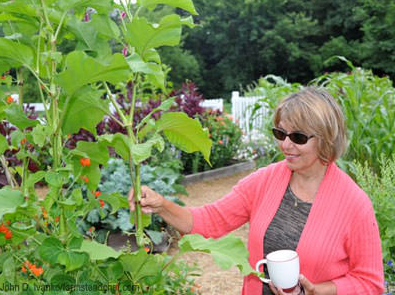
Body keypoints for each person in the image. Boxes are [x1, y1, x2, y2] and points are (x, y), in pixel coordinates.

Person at [129, 87, 384, 295]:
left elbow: (370, 283)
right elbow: (209, 220)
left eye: (298, 138)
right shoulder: (264, 181)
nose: (285, 144)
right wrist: (161, 204)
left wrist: (320, 290)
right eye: (280, 133)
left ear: (327, 139)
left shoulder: (354, 204)